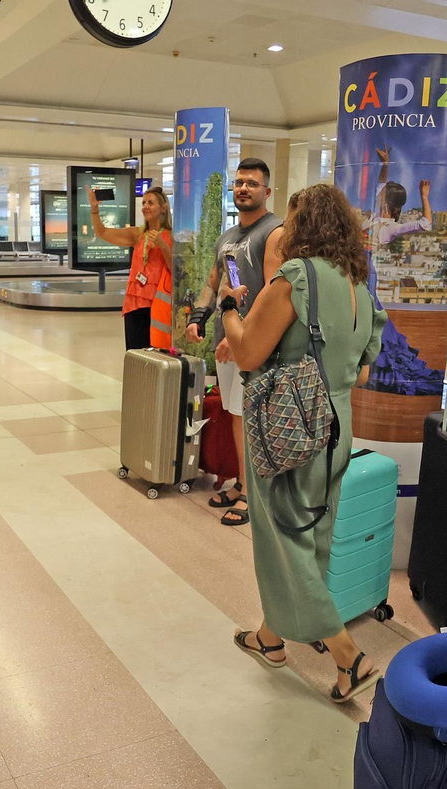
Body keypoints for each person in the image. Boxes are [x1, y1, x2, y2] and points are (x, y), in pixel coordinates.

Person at [220, 183, 387, 704]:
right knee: (312, 533)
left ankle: (347, 656)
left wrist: (228, 309)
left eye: (290, 220)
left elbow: (247, 353)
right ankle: (270, 638)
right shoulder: (357, 283)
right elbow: (364, 367)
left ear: (302, 225)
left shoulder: (296, 277)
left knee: (282, 536)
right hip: (338, 420)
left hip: (289, 424)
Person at [184, 159, 285, 527]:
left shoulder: (274, 232)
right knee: (234, 414)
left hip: (253, 345)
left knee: (249, 419)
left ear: (266, 191)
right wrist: (198, 317)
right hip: (227, 340)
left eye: (252, 183)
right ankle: (242, 481)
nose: (244, 188)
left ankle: (251, 494)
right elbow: (214, 282)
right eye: (240, 182)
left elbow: (273, 292)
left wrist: (239, 336)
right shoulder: (227, 236)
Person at [89, 186, 173, 349]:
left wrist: (163, 246)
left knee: (156, 353)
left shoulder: (171, 236)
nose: (145, 207)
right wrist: (94, 209)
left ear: (163, 208)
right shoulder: (138, 234)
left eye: (150, 203)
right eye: (143, 203)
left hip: (158, 304)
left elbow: (175, 270)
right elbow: (102, 232)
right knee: (135, 353)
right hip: (134, 302)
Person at [362, 148, 431, 303]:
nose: (378, 194)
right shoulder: (375, 216)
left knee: (367, 302)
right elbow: (380, 183)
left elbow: (425, 224)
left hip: (364, 268)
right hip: (354, 264)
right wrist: (385, 164)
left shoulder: (390, 227)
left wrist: (424, 197)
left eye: (382, 194)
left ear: (387, 201)